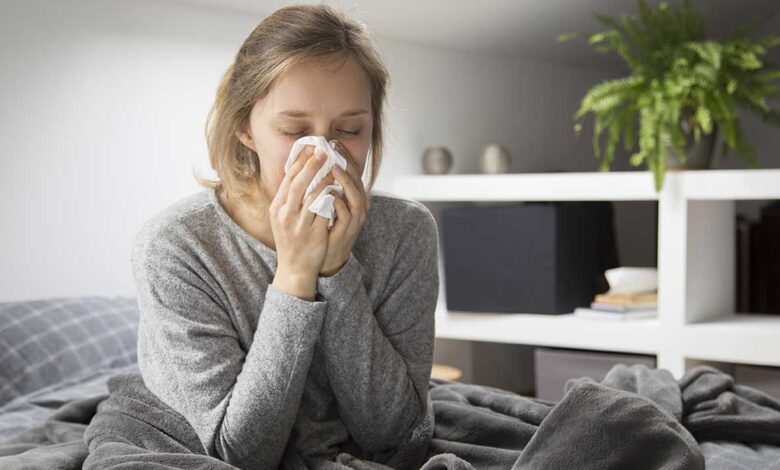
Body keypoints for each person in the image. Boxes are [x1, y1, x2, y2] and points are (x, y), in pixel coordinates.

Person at [128, 4, 439, 469]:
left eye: (350, 129)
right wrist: (296, 273)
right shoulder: (176, 247)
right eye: (294, 130)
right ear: (243, 127)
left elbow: (394, 435)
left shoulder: (406, 231)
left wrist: (336, 271)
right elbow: (242, 453)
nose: (325, 153)